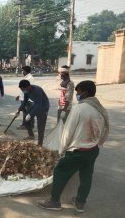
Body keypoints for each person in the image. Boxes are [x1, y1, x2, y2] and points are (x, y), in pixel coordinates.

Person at [38, 80, 109, 213]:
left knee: (60, 172)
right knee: (86, 176)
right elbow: (104, 130)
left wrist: (62, 149)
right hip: (93, 150)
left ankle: (54, 201)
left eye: (78, 92)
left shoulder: (79, 108)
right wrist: (97, 143)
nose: (77, 95)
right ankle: (80, 203)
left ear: (85, 93)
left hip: (77, 151)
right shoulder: (100, 109)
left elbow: (67, 132)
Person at [16, 80, 49, 146]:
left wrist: (30, 114)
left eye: (23, 89)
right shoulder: (26, 91)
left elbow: (39, 104)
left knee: (40, 126)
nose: (23, 91)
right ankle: (31, 135)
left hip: (43, 107)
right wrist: (19, 110)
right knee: (26, 121)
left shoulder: (37, 90)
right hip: (35, 105)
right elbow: (25, 101)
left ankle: (40, 144)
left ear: (28, 86)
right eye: (21, 90)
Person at [16, 65, 35, 130]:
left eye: (23, 70)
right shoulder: (25, 77)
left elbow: (28, 89)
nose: (22, 72)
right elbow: (22, 88)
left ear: (26, 71)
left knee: (29, 113)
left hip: (28, 99)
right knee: (24, 113)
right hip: (23, 98)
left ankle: (30, 126)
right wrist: (19, 95)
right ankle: (24, 124)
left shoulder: (30, 78)